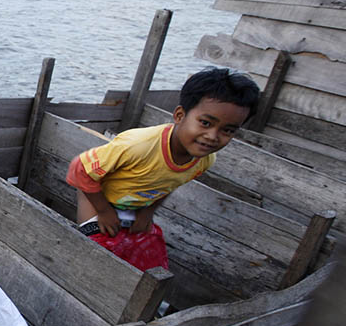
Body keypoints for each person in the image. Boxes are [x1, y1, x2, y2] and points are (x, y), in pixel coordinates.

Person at [66, 67, 260, 271]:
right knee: (96, 256)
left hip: (135, 205)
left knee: (150, 258)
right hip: (98, 196)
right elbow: (79, 169)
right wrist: (104, 212)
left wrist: (147, 213)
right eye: (205, 123)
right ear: (179, 115)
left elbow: (170, 183)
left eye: (227, 130)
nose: (212, 136)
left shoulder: (204, 160)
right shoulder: (138, 146)